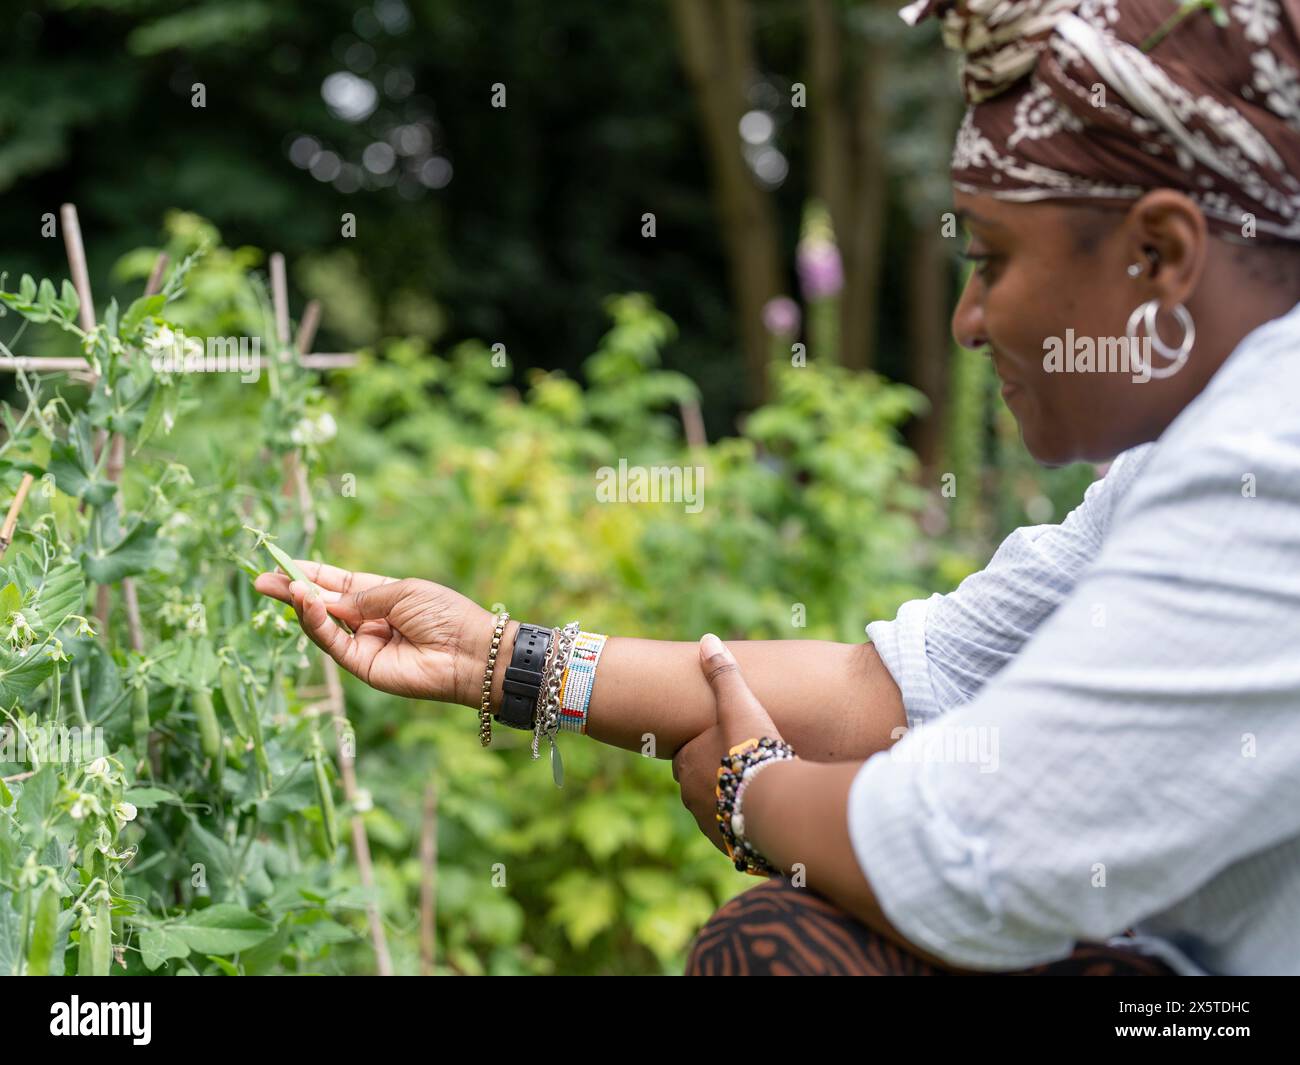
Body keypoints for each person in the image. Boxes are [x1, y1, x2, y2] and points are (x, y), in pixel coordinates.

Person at [257, 0, 1300, 976]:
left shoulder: (1272, 462)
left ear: (1159, 253)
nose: (966, 321)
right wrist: (495, 660)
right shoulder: (1191, 460)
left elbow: (976, 860)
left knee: (780, 947)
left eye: (988, 259)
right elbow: (891, 692)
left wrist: (755, 794)